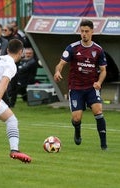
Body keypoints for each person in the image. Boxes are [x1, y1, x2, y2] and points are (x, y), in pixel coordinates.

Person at [54, 19, 107, 150]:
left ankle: (104, 146)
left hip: (91, 87)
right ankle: (77, 131)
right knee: (76, 118)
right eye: (82, 31)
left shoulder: (98, 50)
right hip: (76, 88)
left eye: (86, 31)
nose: (84, 34)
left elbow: (103, 70)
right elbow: (60, 64)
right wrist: (57, 72)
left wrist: (99, 82)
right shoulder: (72, 48)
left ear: (92, 32)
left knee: (98, 111)